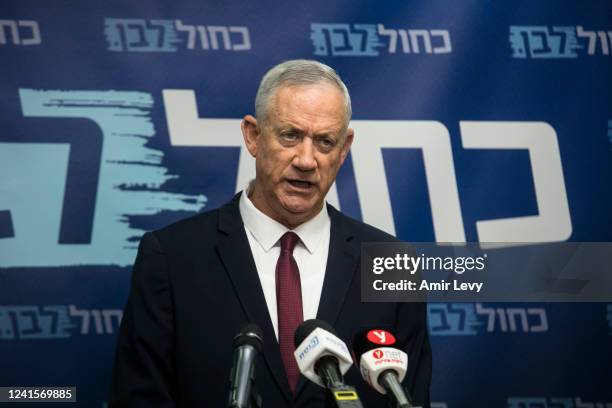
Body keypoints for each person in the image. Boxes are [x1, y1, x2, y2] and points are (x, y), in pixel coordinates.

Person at [109, 59, 431, 407]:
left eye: (325, 142)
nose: (306, 160)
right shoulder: (172, 257)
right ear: (253, 135)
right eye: (290, 135)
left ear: (344, 150)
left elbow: (411, 395)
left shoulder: (392, 262)